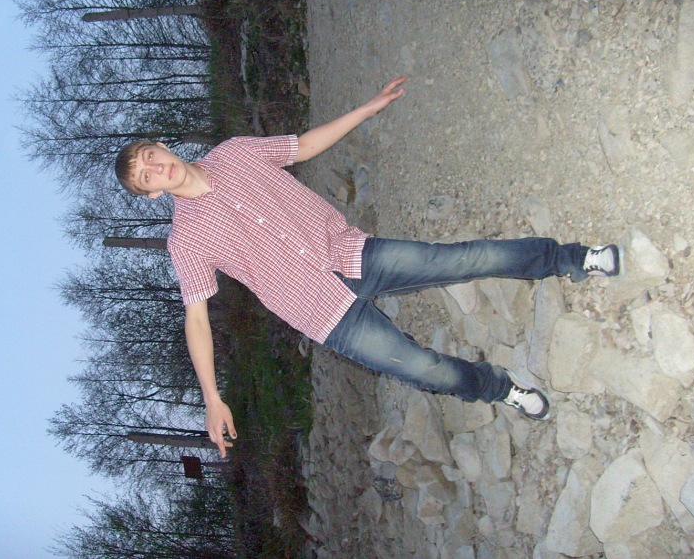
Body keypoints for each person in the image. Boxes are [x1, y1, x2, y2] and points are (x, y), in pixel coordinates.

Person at [115, 77, 622, 457]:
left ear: (162, 146)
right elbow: (197, 319)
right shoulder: (186, 240)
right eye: (146, 177)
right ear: (152, 194)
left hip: (352, 253)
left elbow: (303, 146)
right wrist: (211, 397)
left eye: (150, 156)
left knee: (463, 259)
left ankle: (573, 258)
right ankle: (500, 387)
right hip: (322, 313)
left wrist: (366, 108)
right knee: (423, 368)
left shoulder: (235, 153)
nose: (157, 168)